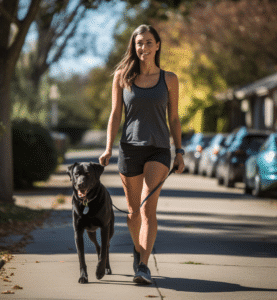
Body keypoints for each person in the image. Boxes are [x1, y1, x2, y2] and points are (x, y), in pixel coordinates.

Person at [99, 24, 185, 284]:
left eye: (149, 42)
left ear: (157, 45)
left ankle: (144, 266)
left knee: (149, 209)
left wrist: (179, 150)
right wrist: (108, 147)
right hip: (130, 149)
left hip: (159, 148)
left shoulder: (169, 79)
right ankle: (138, 251)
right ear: (133, 47)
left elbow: (174, 118)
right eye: (139, 43)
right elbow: (115, 115)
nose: (144, 47)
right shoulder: (122, 76)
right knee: (132, 212)